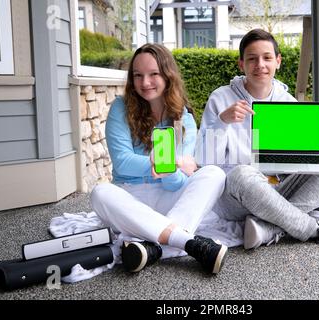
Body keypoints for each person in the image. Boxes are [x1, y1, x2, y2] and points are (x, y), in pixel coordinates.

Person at [196, 29, 319, 250]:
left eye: (267, 57)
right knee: (242, 173)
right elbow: (205, 162)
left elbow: (294, 159)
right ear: (241, 64)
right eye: (252, 59)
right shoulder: (220, 98)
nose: (260, 64)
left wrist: (303, 162)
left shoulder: (287, 101)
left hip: (277, 188)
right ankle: (314, 230)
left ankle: (270, 228)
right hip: (237, 194)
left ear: (278, 61)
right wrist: (222, 122)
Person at [91, 43, 228, 274]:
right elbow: (123, 162)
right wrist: (171, 162)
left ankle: (153, 248)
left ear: (168, 75)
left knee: (215, 174)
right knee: (100, 193)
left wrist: (168, 168)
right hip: (130, 196)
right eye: (138, 75)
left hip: (169, 198)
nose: (145, 83)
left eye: (154, 74)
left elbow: (175, 182)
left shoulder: (182, 117)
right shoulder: (120, 108)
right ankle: (186, 242)